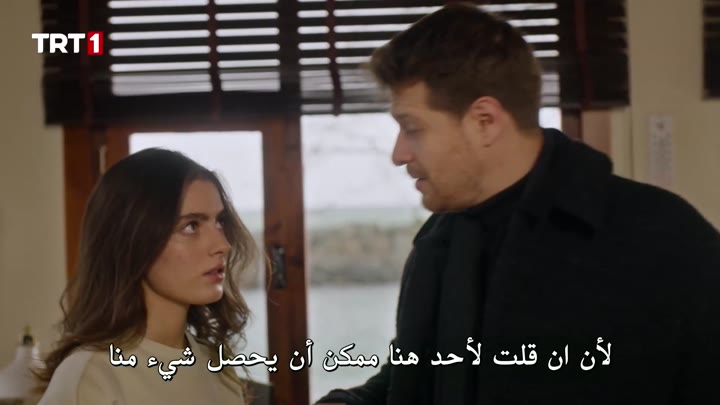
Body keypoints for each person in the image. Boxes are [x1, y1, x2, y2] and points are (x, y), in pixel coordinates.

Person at [316, 3, 720, 405]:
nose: (398, 154)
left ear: (485, 121)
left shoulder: (665, 239)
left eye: (412, 128)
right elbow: (415, 376)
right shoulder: (438, 240)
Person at [35, 148, 259, 404]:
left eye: (219, 222)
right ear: (131, 241)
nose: (222, 245)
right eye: (191, 226)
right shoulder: (93, 377)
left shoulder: (219, 369)